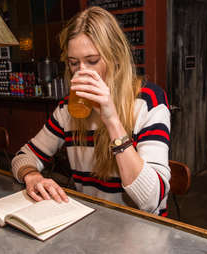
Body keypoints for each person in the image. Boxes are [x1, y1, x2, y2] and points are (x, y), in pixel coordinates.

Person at [11, 6, 171, 216]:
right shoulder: (67, 109)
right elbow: (23, 156)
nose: (82, 72)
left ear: (115, 57)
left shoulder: (147, 101)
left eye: (92, 61)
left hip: (140, 227)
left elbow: (152, 199)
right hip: (91, 222)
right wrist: (32, 175)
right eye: (74, 63)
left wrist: (112, 119)